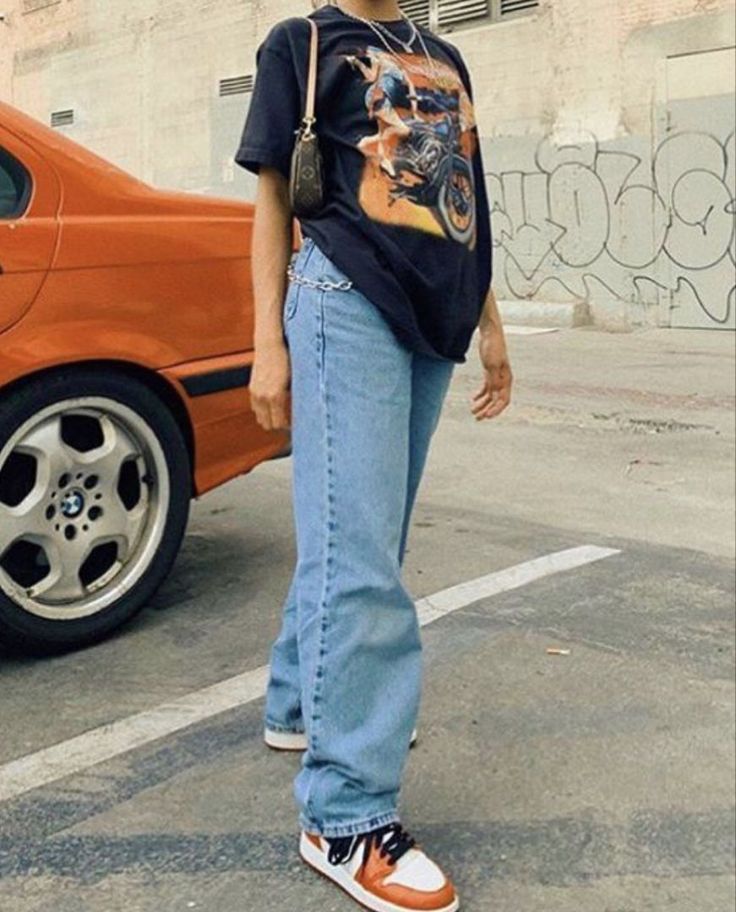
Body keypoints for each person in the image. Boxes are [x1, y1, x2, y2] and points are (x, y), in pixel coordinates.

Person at [234, 2, 512, 910]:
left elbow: (468, 201)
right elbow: (273, 196)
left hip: (436, 316)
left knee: (363, 537)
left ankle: (296, 703)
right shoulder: (302, 43)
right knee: (358, 559)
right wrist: (268, 343)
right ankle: (345, 815)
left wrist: (492, 325)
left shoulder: (445, 55)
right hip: (343, 301)